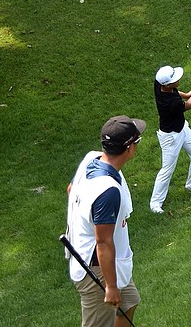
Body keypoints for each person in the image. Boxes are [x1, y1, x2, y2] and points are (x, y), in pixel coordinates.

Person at [65, 115, 145, 327]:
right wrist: (110, 286)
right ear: (129, 148)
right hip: (97, 270)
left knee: (128, 303)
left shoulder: (91, 158)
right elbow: (103, 242)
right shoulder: (107, 191)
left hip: (106, 262)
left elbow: (71, 189)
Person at [150, 66, 191, 214]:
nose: (178, 80)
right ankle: (155, 203)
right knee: (167, 170)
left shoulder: (159, 85)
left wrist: (189, 92)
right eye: (175, 80)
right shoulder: (171, 104)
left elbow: (177, 93)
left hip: (182, 128)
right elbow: (188, 105)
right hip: (170, 137)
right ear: (167, 85)